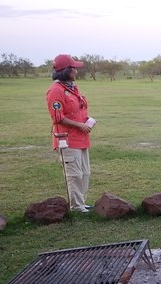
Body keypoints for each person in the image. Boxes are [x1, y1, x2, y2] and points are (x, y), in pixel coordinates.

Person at [46, 54, 95, 213]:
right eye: (73, 68)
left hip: (81, 138)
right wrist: (79, 125)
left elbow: (78, 109)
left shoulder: (72, 88)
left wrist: (86, 121)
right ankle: (77, 207)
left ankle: (82, 203)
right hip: (67, 140)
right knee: (74, 175)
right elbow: (58, 117)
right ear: (66, 70)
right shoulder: (55, 91)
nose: (76, 71)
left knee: (85, 173)